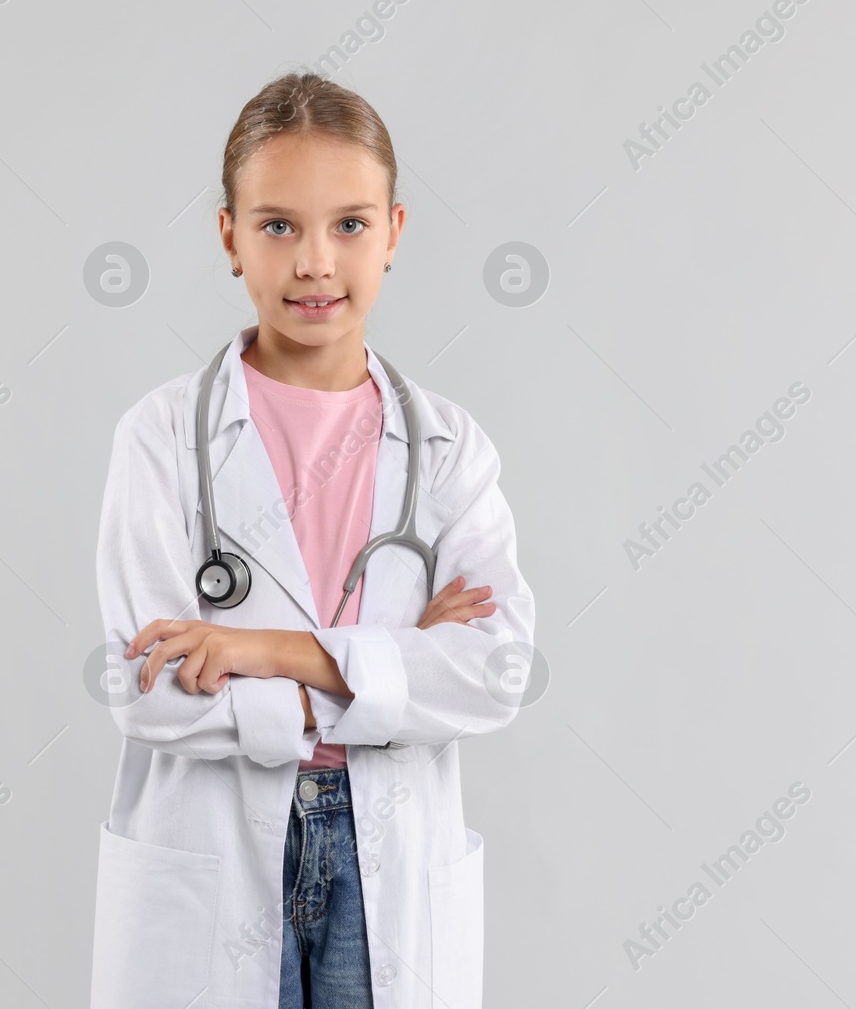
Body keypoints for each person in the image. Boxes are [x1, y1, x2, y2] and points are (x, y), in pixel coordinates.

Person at [90, 70, 537, 1009]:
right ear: (229, 237)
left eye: (349, 225)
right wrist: (382, 675)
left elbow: (495, 669)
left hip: (387, 854)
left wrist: (256, 650)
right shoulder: (162, 437)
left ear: (395, 233)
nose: (314, 263)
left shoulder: (449, 450)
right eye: (278, 224)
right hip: (213, 845)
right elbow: (151, 690)